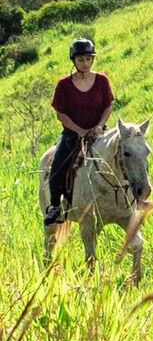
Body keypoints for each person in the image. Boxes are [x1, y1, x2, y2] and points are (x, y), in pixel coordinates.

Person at [48, 36, 114, 228]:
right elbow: (61, 114)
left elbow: (107, 107)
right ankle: (55, 207)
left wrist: (99, 126)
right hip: (72, 136)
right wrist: (80, 131)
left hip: (98, 132)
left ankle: (133, 198)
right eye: (80, 59)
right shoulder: (64, 85)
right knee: (57, 168)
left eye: (88, 59)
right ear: (73, 61)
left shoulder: (102, 81)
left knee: (126, 156)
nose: (85, 63)